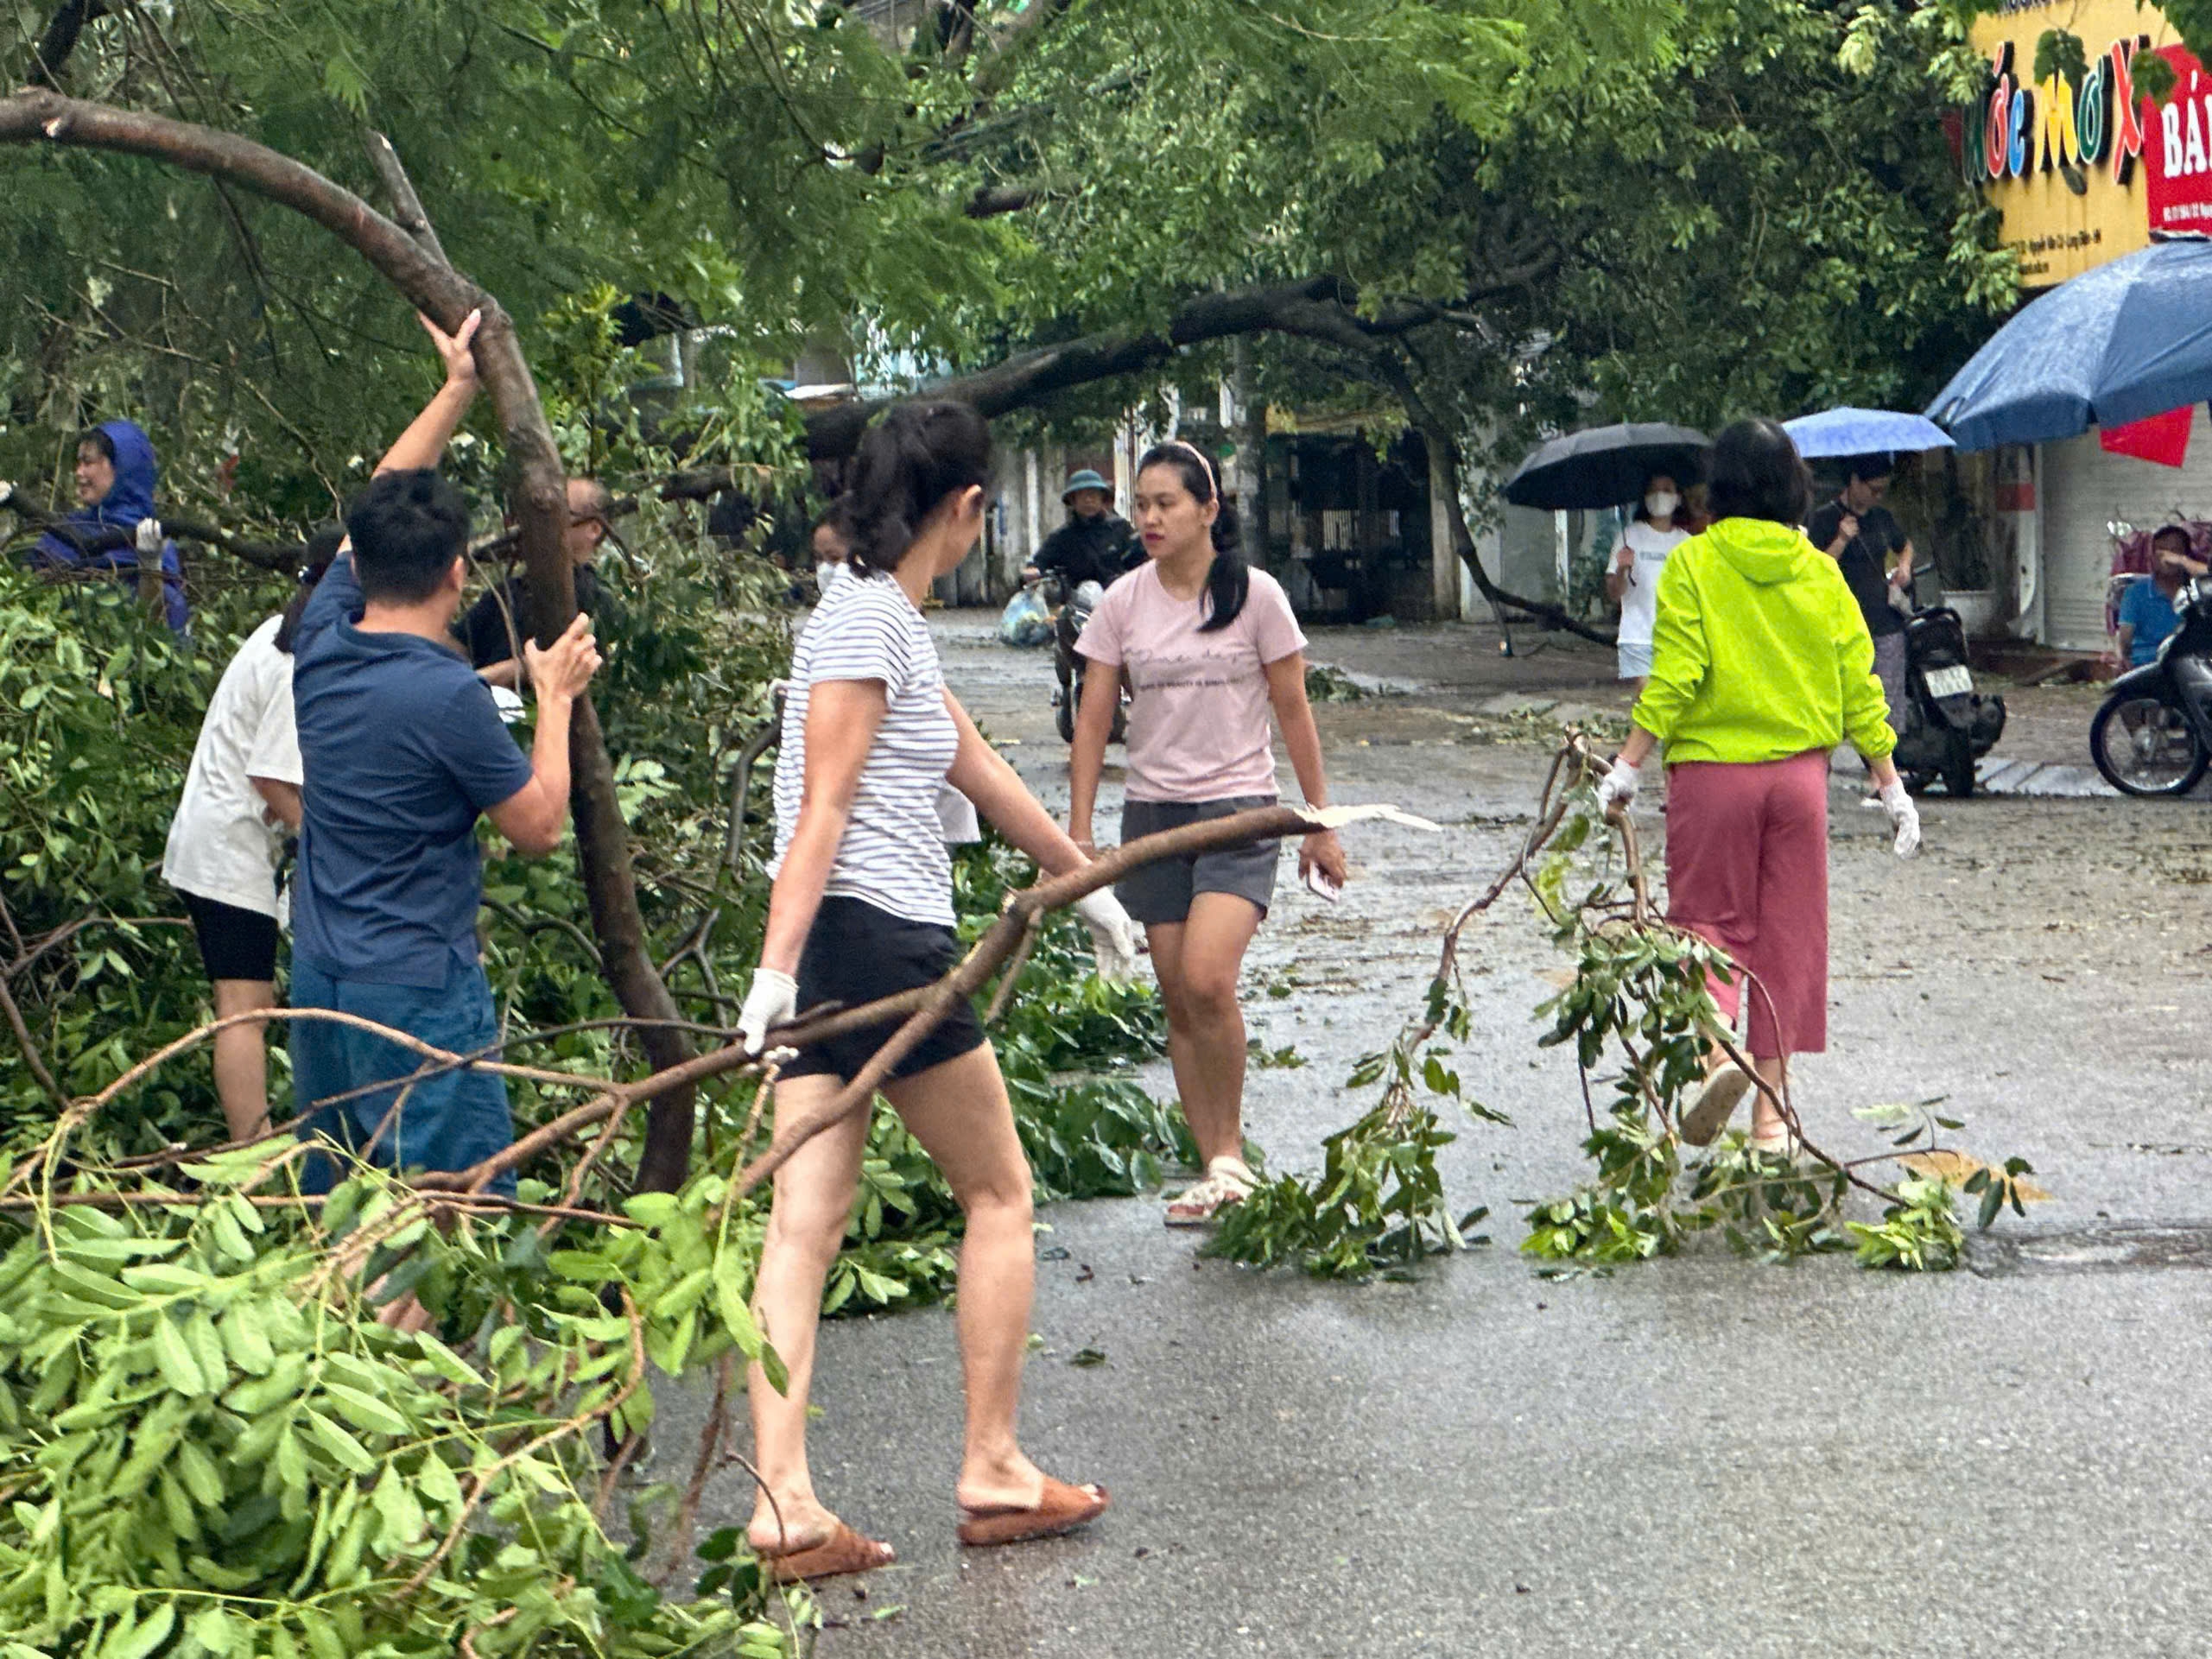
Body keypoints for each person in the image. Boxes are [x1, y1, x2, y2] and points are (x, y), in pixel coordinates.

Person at [733, 402, 1138, 1580]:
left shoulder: (867, 618)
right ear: (964, 506)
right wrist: (771, 970)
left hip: (837, 948)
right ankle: (995, 1463)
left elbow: (979, 767)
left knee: (803, 1221)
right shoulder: (868, 624)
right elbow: (825, 804)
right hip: (876, 945)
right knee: (999, 1190)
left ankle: (784, 1502)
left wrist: (1089, 885)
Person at [288, 309, 603, 1214]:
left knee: (345, 1209)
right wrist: (554, 699)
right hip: (416, 989)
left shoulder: (324, 639)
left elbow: (382, 494)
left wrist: (456, 391)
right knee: (449, 1213)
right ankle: (424, 1353)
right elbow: (539, 824)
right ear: (461, 572)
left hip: (321, 978)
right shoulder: (449, 698)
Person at [1594, 420, 1921, 1156]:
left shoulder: (1693, 565)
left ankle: (1716, 1059)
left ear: (1721, 488)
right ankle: (1771, 1122)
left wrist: (1628, 763)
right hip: (1799, 782)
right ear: (1794, 488)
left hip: (1712, 778)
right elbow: (1855, 685)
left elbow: (1675, 676)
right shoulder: (1820, 573)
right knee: (1787, 943)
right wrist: (1889, 781)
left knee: (1707, 929)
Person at [1067, 439, 1348, 1225]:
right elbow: (1094, 720)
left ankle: (1229, 1152)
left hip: (1239, 813)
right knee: (1176, 998)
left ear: (1207, 509)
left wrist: (1317, 823)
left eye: (1166, 503)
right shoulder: (1122, 600)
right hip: (1153, 820)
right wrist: (1080, 834)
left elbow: (1293, 709)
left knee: (1206, 978)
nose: (1150, 517)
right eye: (1143, 504)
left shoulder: (1257, 596)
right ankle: (1215, 1164)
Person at [161, 541, 338, 1140]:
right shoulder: (300, 660)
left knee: (251, 1002)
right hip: (228, 852)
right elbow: (273, 779)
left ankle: (257, 1142)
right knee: (244, 1010)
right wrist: (334, 844)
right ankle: (252, 1151)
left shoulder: (280, 631)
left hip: (222, 843)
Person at [28, 421, 189, 635]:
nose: (79, 472)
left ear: (122, 467)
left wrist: (150, 566)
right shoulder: (68, 530)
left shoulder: (152, 537)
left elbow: (160, 631)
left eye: (88, 462)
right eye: (78, 463)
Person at [457, 477, 614, 687]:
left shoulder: (591, 596)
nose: (542, 519)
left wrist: (470, 682)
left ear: (594, 529)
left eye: (560, 511)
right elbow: (457, 643)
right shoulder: (511, 590)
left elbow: (547, 660)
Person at [1805, 454, 1915, 731]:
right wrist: (1841, 539)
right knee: (1844, 700)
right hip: (1842, 622)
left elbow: (1905, 545)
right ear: (1854, 481)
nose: (1877, 496)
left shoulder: (1881, 517)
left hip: (1883, 616)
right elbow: (1814, 569)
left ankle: (1884, 765)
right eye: (1872, 489)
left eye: (1882, 490)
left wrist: (1904, 566)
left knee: (1887, 699)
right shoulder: (1824, 518)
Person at [1606, 472, 1691, 693]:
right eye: (1653, 490)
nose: (1659, 495)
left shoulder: (1687, 544)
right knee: (1647, 700)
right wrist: (1622, 568)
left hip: (1676, 637)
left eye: (1666, 490)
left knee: (1668, 705)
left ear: (1678, 497)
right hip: (1637, 636)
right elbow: (1614, 593)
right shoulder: (1628, 537)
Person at [1026, 468, 1140, 589]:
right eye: (1082, 495)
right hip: (1078, 603)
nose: (1088, 500)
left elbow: (1139, 560)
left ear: (1102, 497)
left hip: (1120, 597)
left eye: (1093, 494)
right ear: (1072, 500)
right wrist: (1031, 572)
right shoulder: (1062, 537)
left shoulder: (1120, 528)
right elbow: (1039, 563)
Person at [2114, 525, 2205, 668]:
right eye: (2161, 551)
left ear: (2186, 555)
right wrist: (2123, 661)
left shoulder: (2196, 590)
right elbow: (2124, 641)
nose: (2166, 558)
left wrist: (2183, 562)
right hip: (2146, 668)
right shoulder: (2136, 592)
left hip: (2187, 668)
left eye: (2174, 551)